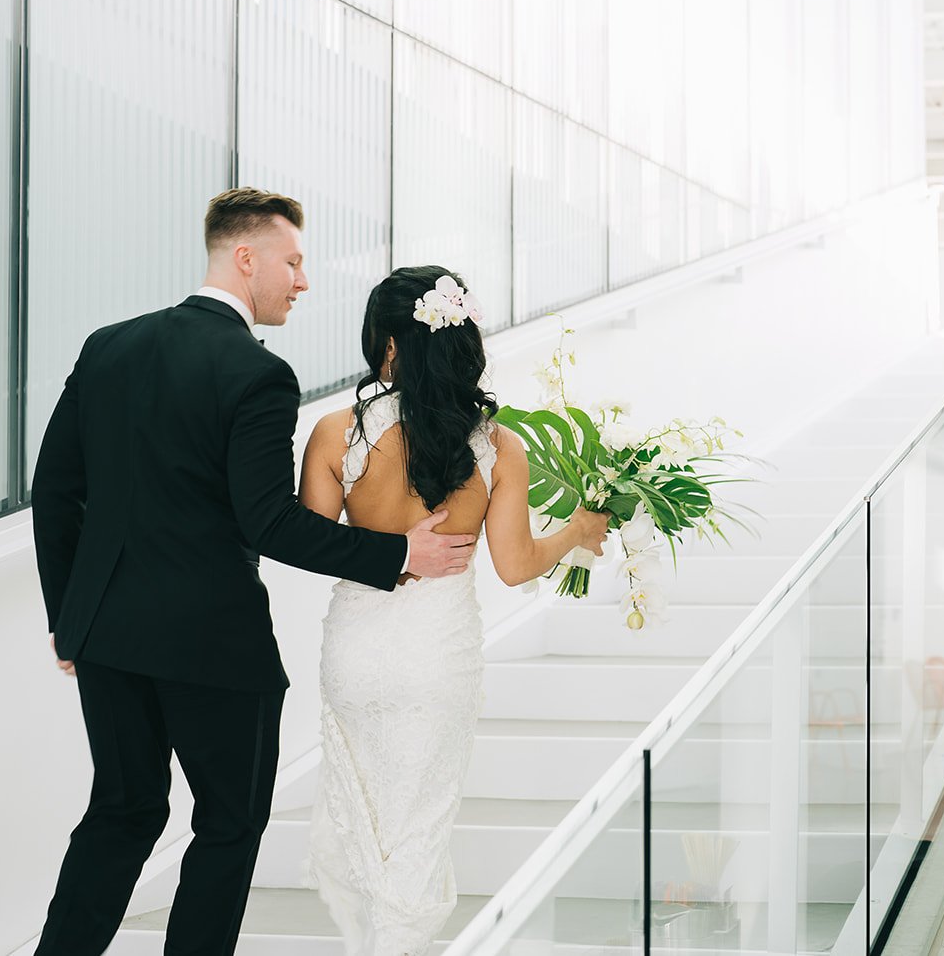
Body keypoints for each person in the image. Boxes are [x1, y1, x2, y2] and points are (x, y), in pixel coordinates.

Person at [30, 189, 476, 956]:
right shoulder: (258, 374)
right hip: (215, 649)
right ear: (246, 258)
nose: (302, 281)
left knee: (123, 811)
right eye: (293, 261)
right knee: (227, 825)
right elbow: (268, 522)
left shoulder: (109, 345)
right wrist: (400, 554)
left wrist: (68, 615)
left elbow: (53, 491)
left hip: (105, 633)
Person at [298, 266, 609, 954]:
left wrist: (385, 550)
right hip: (438, 653)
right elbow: (516, 563)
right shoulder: (499, 445)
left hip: (356, 648)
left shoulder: (333, 434)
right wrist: (580, 531)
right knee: (418, 829)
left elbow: (310, 543)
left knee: (373, 822)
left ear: (386, 346)